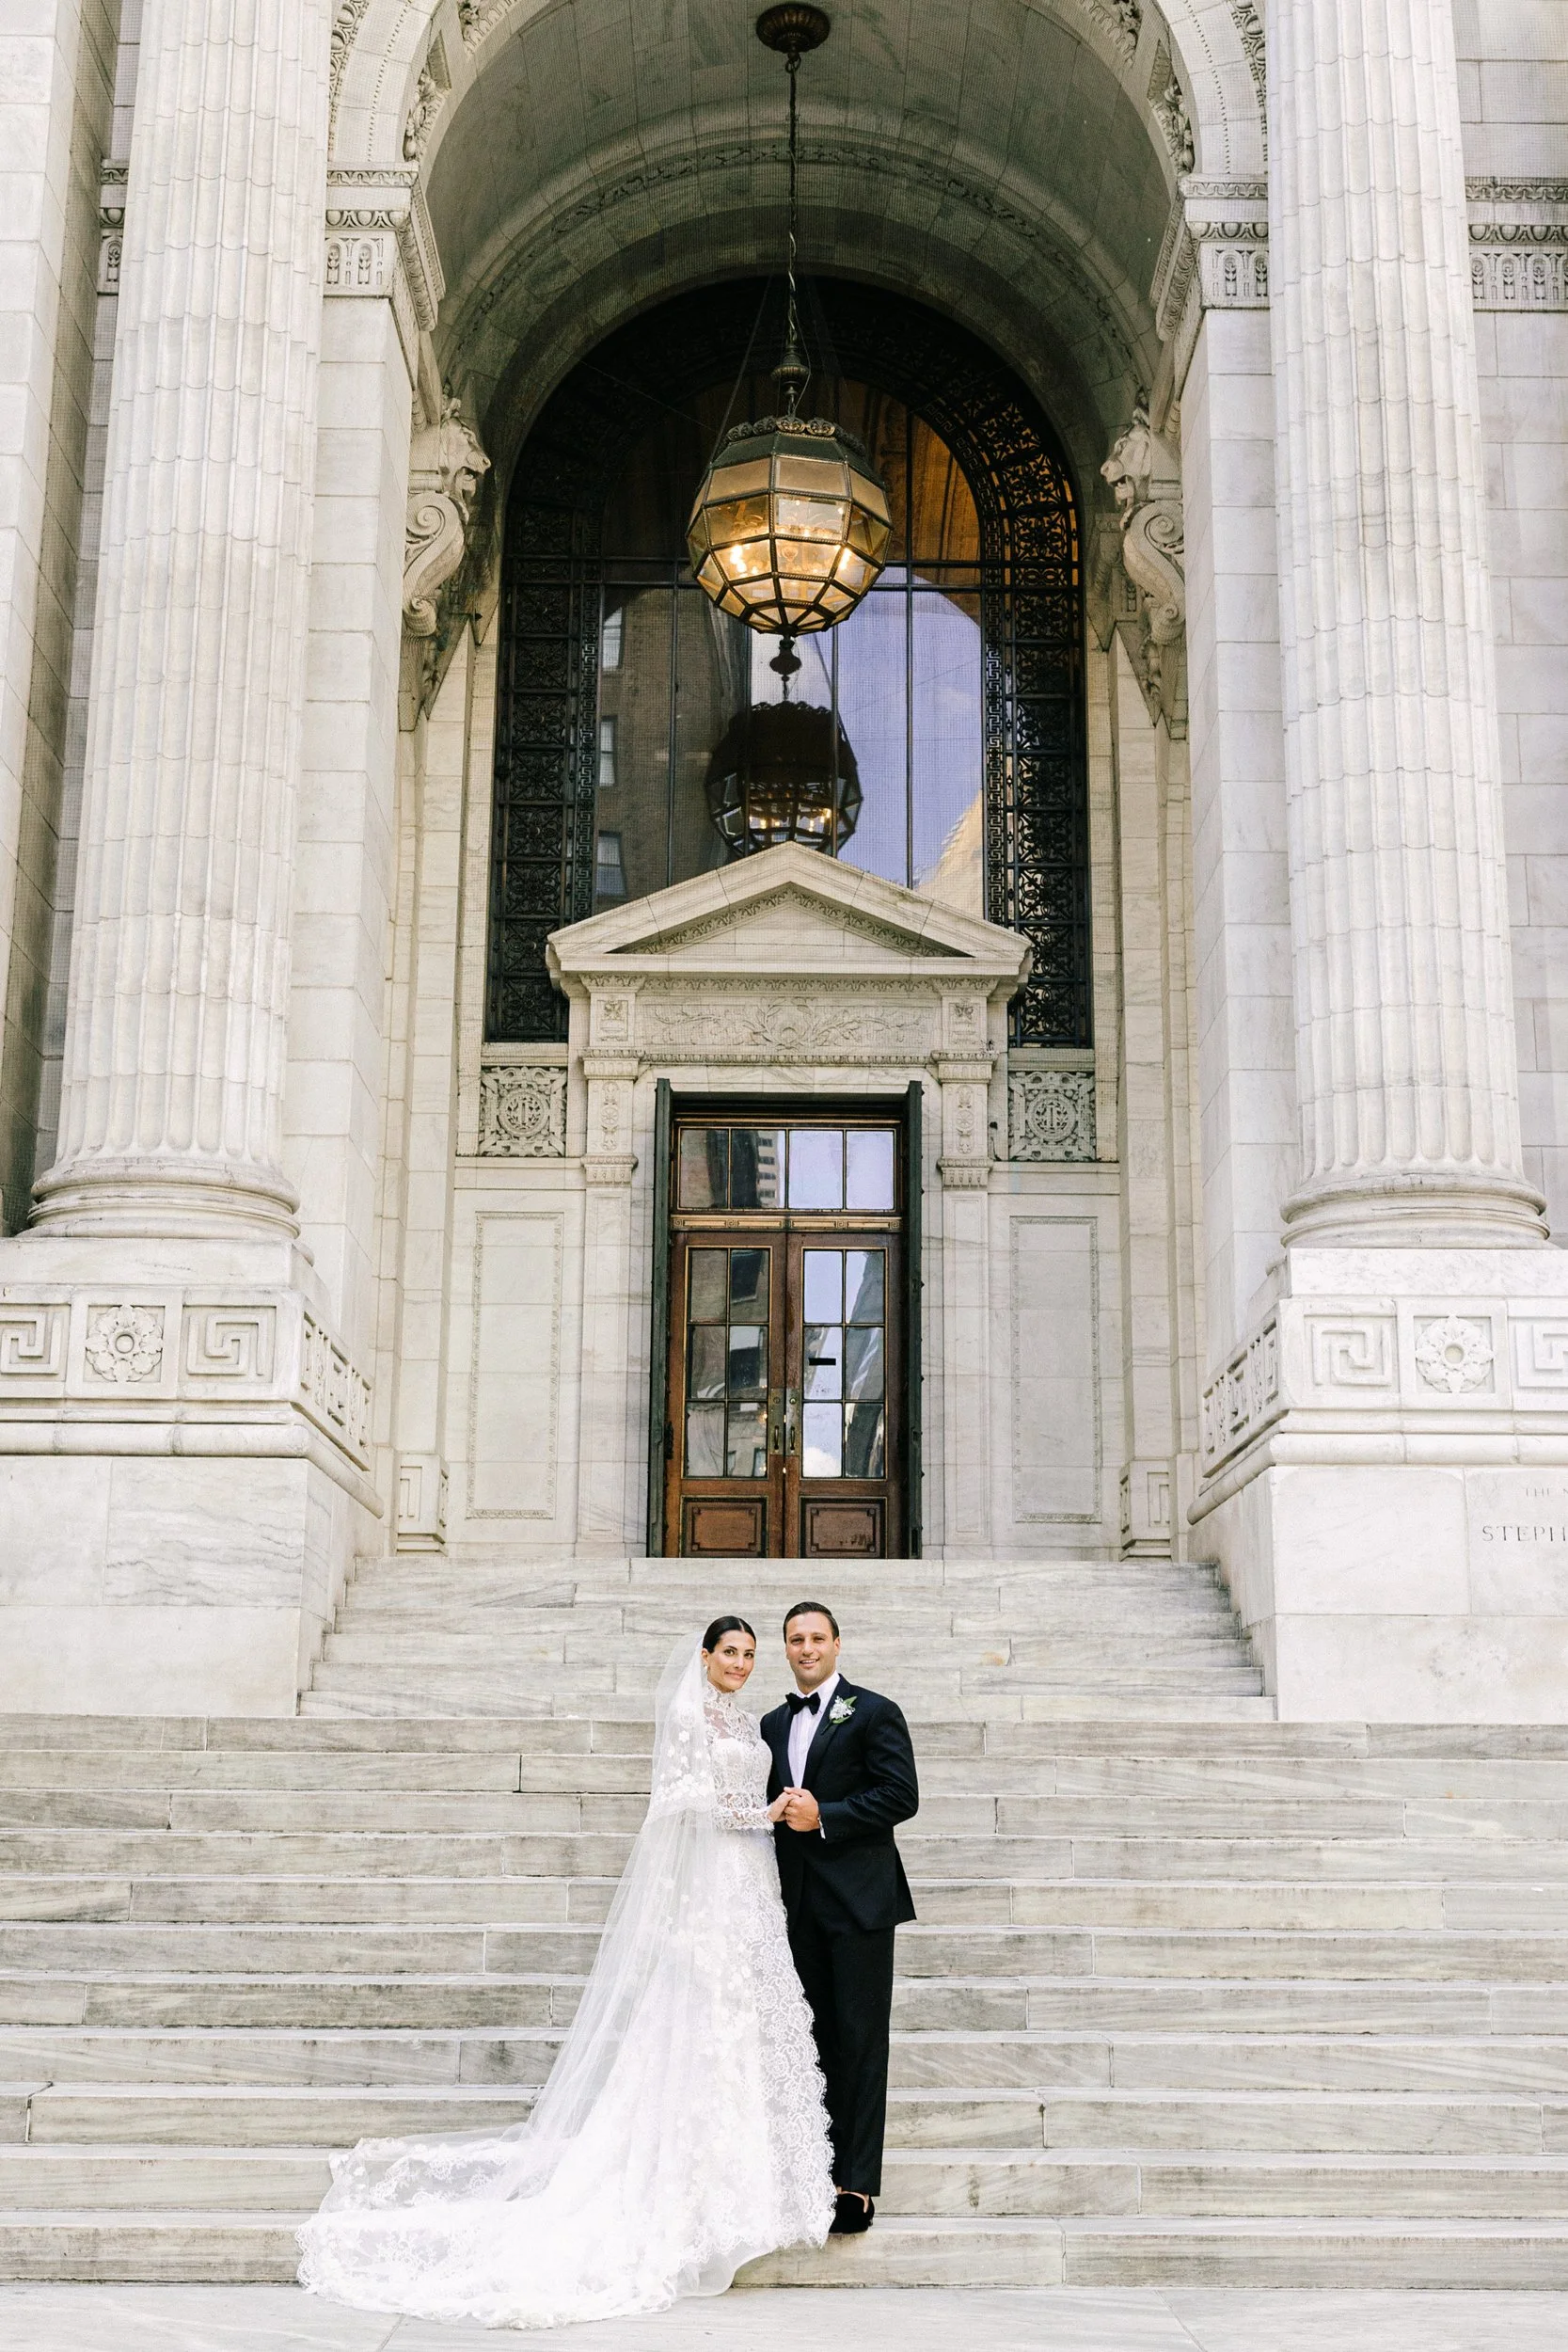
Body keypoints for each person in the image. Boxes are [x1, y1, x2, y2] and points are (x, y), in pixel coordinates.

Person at [296, 1617, 834, 2328]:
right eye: (728, 1652)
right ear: (704, 1657)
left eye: (747, 1655)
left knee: (741, 2025)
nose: (739, 1663)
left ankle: (743, 2190)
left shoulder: (744, 1717)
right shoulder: (687, 1716)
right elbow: (675, 1801)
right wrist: (754, 1810)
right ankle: (686, 2193)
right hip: (712, 1883)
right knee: (701, 2020)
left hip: (750, 1884)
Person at [760, 1602, 919, 2236]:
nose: (806, 1648)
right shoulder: (771, 1723)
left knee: (858, 2041)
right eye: (795, 1640)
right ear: (786, 1649)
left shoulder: (874, 1711)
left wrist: (824, 1813)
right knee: (809, 2043)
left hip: (859, 1903)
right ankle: (811, 2170)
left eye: (816, 1638)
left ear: (836, 1644)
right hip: (795, 1903)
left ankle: (855, 2185)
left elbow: (899, 1795)